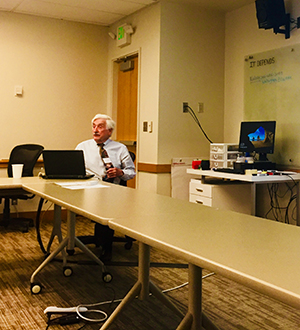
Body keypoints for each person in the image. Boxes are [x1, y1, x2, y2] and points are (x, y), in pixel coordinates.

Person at [76, 114, 136, 261]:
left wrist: (120, 172)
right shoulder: (82, 147)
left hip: (111, 190)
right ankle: (78, 241)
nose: (95, 130)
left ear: (109, 131)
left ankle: (106, 249)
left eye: (100, 127)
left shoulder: (120, 148)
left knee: (108, 206)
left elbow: (131, 172)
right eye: (94, 126)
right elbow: (75, 169)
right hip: (88, 188)